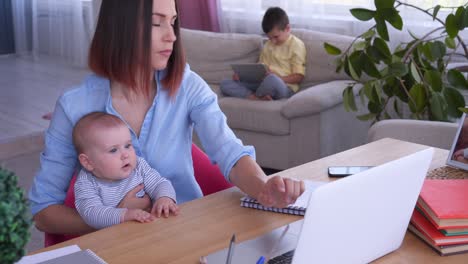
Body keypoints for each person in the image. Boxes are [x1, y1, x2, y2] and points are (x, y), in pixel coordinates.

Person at [29, 0, 305, 236]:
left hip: (186, 233)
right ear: (120, 29)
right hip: (116, 246)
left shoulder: (188, 85)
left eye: (172, 22)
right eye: (156, 22)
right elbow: (43, 211)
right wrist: (118, 218)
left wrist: (265, 188)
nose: (172, 36)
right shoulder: (74, 106)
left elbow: (230, 152)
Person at [72, 112, 178, 229]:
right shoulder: (86, 183)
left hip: (150, 229)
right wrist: (125, 214)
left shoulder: (138, 165)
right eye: (113, 150)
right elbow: (91, 213)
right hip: (116, 240)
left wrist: (164, 197)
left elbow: (159, 183)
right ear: (88, 162)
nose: (125, 155)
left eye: (127, 146)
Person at [220, 7, 306, 101]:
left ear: (287, 28)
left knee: (272, 79)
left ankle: (254, 95)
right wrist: (242, 77)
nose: (273, 41)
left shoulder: (297, 45)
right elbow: (260, 68)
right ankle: (256, 97)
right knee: (225, 83)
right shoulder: (268, 45)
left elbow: (299, 77)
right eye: (269, 38)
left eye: (276, 37)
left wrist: (279, 78)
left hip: (284, 86)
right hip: (262, 83)